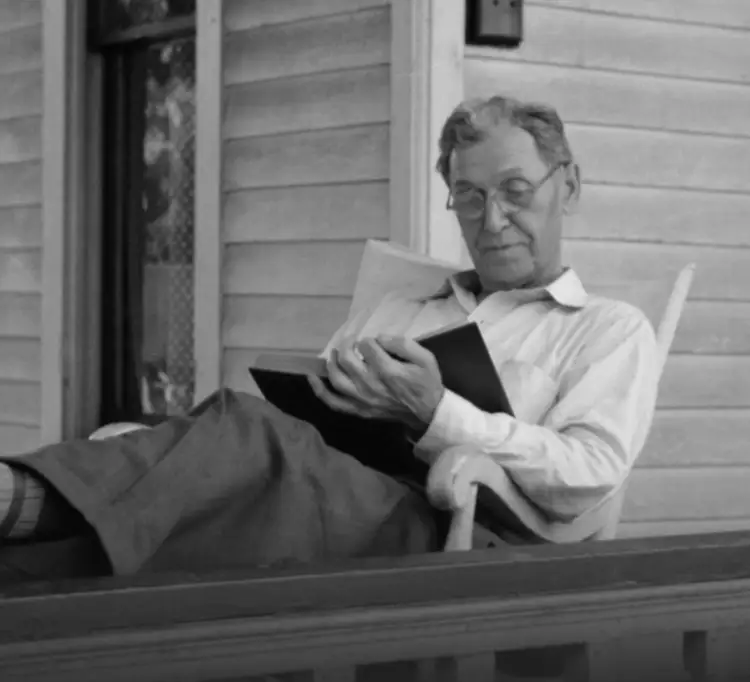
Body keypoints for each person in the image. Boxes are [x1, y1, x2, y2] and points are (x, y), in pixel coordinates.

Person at [0, 95, 658, 584]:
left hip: (455, 539)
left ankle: (23, 496)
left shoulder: (607, 329)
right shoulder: (400, 308)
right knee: (197, 487)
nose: (492, 220)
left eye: (515, 191)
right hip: (326, 505)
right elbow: (304, 423)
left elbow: (589, 474)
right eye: (468, 196)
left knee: (239, 432)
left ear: (568, 186)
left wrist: (438, 413)